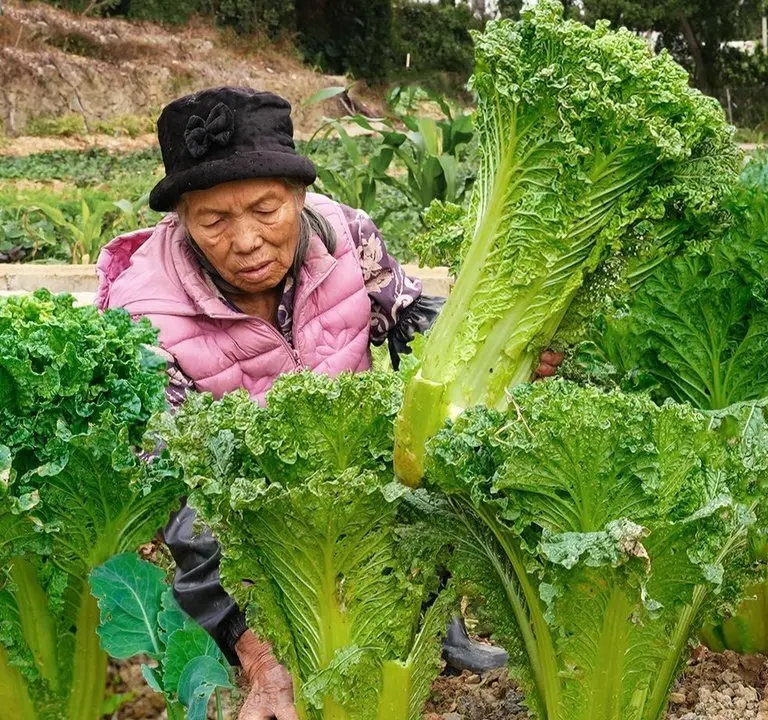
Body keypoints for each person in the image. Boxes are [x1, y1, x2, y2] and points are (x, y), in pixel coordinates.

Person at [96, 87, 557, 720]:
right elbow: (180, 506)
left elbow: (421, 324)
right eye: (214, 221)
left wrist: (506, 355)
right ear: (181, 218)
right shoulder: (143, 316)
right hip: (251, 545)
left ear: (299, 196)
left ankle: (433, 633)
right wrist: (259, 651)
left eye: (266, 209)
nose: (248, 240)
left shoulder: (348, 238)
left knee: (432, 466)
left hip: (361, 497)